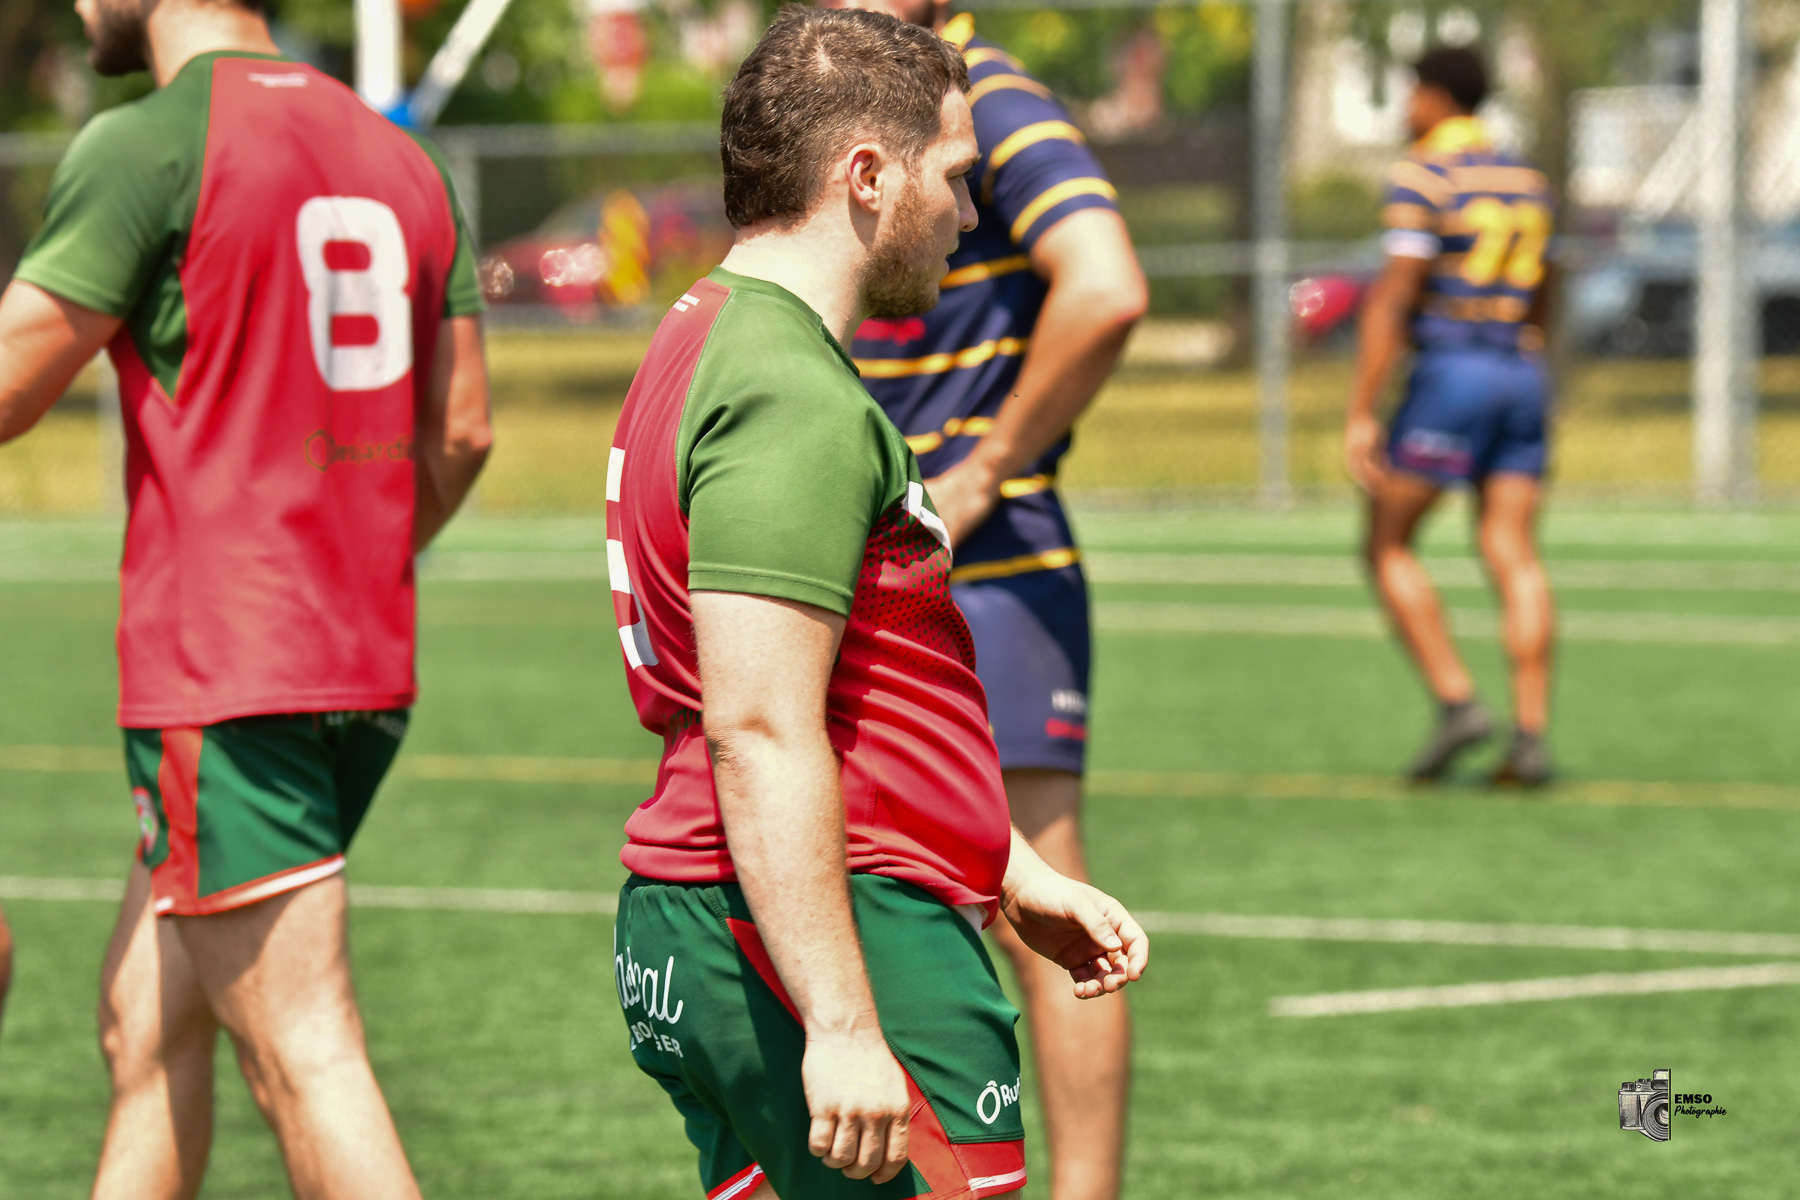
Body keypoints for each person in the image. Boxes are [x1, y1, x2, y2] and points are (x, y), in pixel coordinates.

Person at [605, 9, 1148, 1199]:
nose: (967, 214)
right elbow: (758, 725)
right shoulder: (789, 394)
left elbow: (861, 699)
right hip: (843, 928)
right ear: (865, 175)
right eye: (954, 179)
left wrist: (1008, 869)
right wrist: (846, 1020)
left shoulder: (709, 334)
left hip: (750, 917)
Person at [0, 0, 491, 1191]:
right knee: (147, 1020)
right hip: (358, 665)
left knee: (303, 1054)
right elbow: (464, 431)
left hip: (227, 676)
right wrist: (351, 561)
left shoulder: (149, 142)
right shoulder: (402, 153)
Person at [824, 3, 1146, 1195]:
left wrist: (981, 468)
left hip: (984, 564)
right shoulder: (857, 94)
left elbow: (1106, 284)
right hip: (878, 556)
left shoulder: (986, 95)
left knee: (1038, 907)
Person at [1344, 45, 1557, 787]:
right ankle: (1530, 735)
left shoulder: (1423, 172)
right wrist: (1530, 346)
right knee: (1513, 550)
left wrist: (1364, 412)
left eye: (1412, 92)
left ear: (1438, 97)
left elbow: (1396, 295)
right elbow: (1548, 281)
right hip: (1521, 370)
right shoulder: (1524, 175)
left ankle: (1457, 700)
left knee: (1385, 541)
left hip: (1453, 375)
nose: (1406, 107)